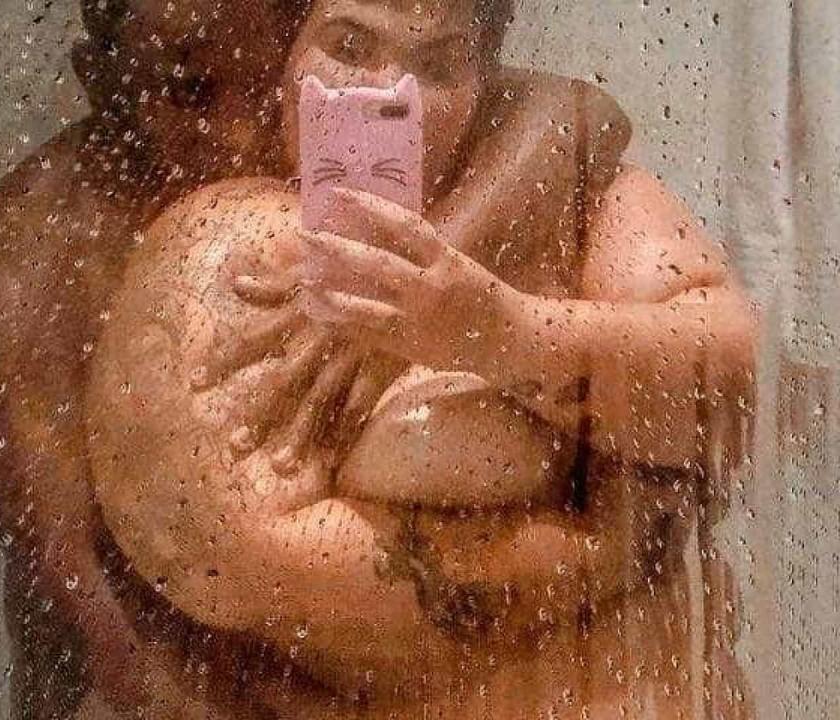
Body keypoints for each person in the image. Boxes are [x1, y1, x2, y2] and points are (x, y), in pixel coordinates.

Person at [84, 0, 757, 717]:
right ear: (283, 58)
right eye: (348, 46)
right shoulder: (232, 247)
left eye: (440, 64)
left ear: (483, 74)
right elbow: (237, 556)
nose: (389, 95)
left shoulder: (575, 185)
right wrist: (607, 545)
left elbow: (737, 399)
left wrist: (499, 331)